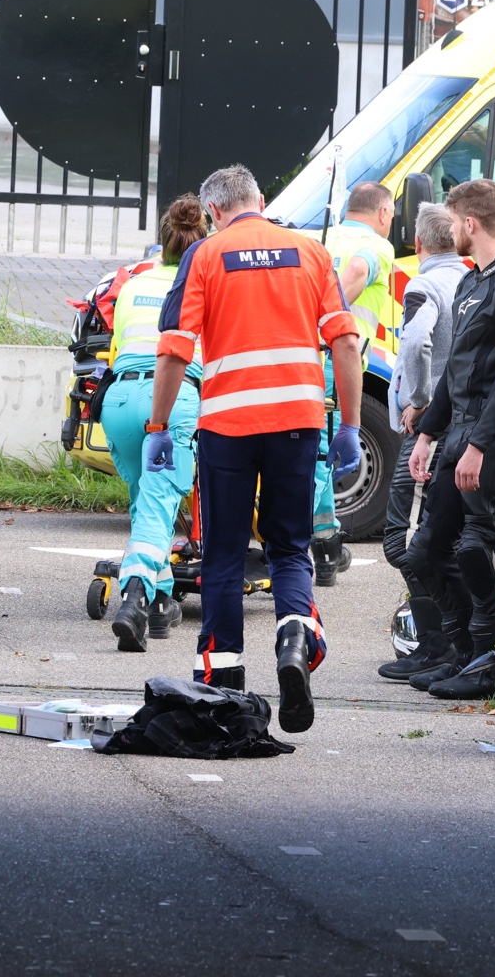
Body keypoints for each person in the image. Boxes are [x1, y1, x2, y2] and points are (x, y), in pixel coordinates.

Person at [149, 165, 363, 734]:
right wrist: (349, 425)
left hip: (229, 426)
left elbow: (174, 349)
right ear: (261, 201)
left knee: (222, 554)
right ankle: (295, 640)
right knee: (289, 547)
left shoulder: (206, 255)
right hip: (297, 422)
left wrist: (158, 426)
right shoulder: (310, 252)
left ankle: (223, 685)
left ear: (214, 212)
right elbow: (345, 341)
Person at [400, 178, 495, 700]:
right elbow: (454, 373)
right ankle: (462, 654)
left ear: (470, 223)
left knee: (477, 548)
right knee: (425, 552)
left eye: (454, 222)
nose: (451, 232)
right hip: (458, 432)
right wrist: (427, 434)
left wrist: (480, 446)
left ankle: (493, 661)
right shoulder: (470, 282)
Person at [99, 196, 205, 651]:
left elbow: (119, 342)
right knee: (160, 503)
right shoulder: (201, 284)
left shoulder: (132, 284)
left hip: (119, 400)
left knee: (148, 505)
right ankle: (135, 596)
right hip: (171, 397)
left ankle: (161, 604)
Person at [376, 202, 470, 682]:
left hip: (429, 431)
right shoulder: (473, 279)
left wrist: (417, 399)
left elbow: (415, 342)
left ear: (418, 244)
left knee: (404, 541)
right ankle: (458, 640)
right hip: (466, 427)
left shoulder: (424, 285)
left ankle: (439, 643)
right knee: (444, 537)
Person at [309, 180, 399, 586]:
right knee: (317, 457)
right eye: (392, 215)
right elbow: (360, 270)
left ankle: (327, 545)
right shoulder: (377, 246)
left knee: (319, 454)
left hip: (305, 356)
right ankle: (295, 547)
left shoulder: (321, 239)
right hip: (333, 359)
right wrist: (327, 316)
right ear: (383, 212)